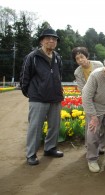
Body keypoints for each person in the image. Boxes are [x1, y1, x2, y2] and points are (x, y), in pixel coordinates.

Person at [20, 28, 64, 165]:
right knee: (35, 127)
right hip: (38, 98)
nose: (51, 41)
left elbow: (59, 75)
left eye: (54, 39)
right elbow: (24, 77)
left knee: (54, 126)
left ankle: (50, 148)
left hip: (55, 97)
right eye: (48, 38)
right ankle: (31, 154)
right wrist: (31, 93)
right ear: (41, 41)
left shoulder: (57, 57)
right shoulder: (32, 57)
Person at [72, 46, 105, 154]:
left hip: (102, 97)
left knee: (103, 124)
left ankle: (101, 146)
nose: (80, 60)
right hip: (89, 99)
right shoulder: (77, 72)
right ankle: (89, 146)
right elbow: (83, 89)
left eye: (82, 57)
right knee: (90, 124)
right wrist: (91, 98)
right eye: (77, 59)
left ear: (87, 56)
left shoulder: (99, 65)